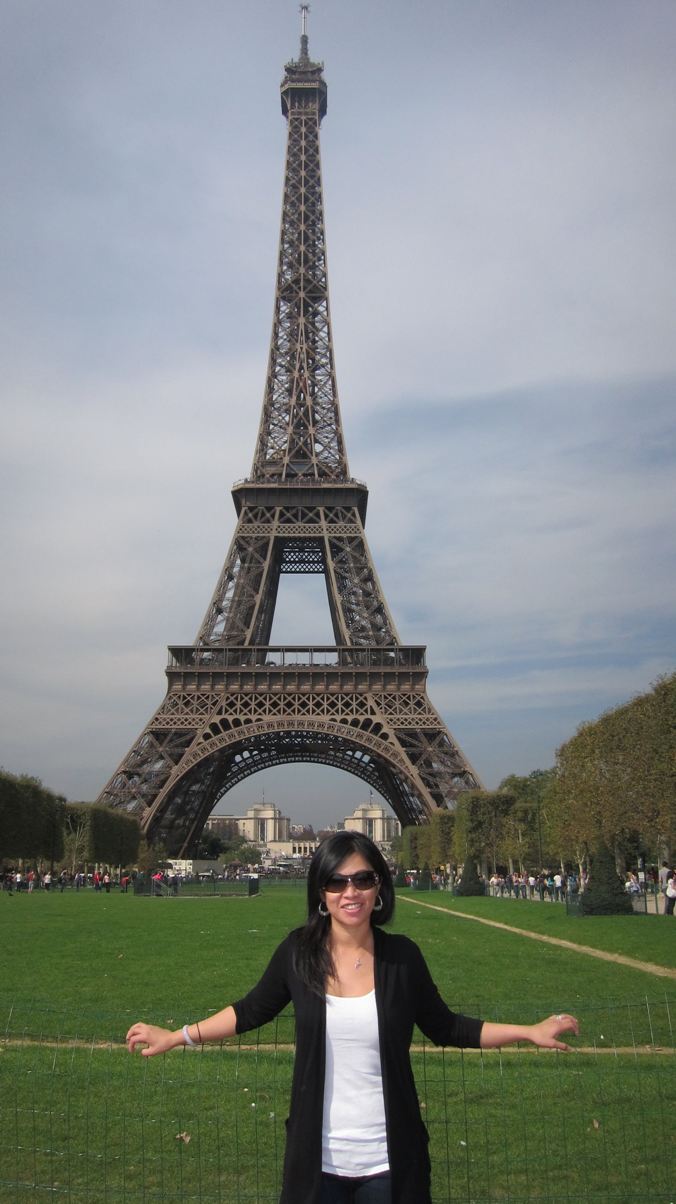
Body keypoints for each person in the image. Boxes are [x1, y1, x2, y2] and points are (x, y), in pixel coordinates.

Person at [126, 831, 579, 1204]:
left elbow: (447, 1026)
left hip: (389, 1162)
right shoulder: (298, 954)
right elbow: (250, 1011)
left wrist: (528, 1031)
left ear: (379, 887)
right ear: (320, 892)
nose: (351, 892)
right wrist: (177, 1036)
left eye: (363, 879)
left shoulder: (402, 958)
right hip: (316, 1162)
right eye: (337, 881)